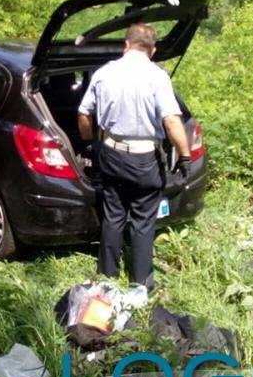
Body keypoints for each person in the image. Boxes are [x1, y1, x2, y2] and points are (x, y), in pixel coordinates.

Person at [77, 23, 191, 290]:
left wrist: (89, 143)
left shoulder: (104, 73)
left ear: (125, 45)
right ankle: (141, 284)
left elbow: (84, 114)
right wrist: (184, 156)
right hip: (145, 161)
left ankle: (107, 279)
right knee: (143, 221)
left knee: (113, 216)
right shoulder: (157, 77)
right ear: (153, 50)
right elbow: (172, 122)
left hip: (112, 154)